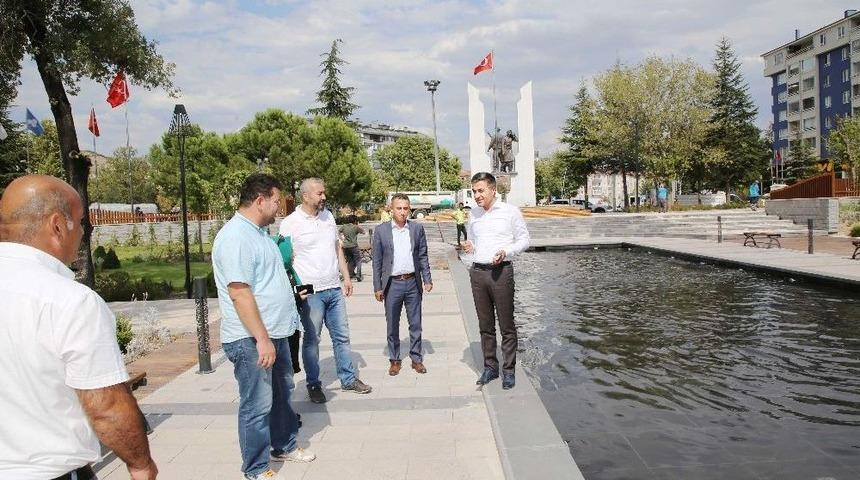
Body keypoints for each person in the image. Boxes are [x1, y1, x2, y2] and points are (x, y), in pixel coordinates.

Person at [0, 175, 157, 480]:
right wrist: (141, 465)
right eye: (81, 222)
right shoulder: (70, 301)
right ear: (58, 225)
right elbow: (106, 406)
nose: (84, 232)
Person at [212, 173, 314, 480]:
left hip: (277, 332)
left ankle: (283, 444)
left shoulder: (260, 233)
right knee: (257, 405)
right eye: (276, 201)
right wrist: (262, 339)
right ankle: (256, 468)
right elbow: (239, 292)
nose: (279, 208)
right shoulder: (235, 238)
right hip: (252, 338)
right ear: (260, 201)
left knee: (282, 394)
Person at [280, 178, 372, 404]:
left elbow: (336, 248)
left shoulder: (328, 216)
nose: (324, 197)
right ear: (306, 196)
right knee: (312, 339)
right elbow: (285, 261)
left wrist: (346, 277)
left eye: (324, 193)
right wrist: (295, 290)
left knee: (342, 336)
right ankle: (313, 384)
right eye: (319, 194)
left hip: (333, 286)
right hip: (309, 289)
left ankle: (348, 378)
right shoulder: (290, 223)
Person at [462, 172, 530, 390]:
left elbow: (524, 239)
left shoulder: (510, 212)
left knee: (507, 325)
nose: (477, 195)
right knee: (485, 325)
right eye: (474, 191)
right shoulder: (473, 214)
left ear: (493, 190)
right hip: (478, 273)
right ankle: (490, 367)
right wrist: (469, 246)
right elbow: (472, 240)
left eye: (480, 190)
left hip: (501, 272)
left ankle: (508, 371)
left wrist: (506, 250)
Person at [371, 193, 433, 376]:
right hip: (392, 285)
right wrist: (377, 286)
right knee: (392, 324)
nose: (403, 212)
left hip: (413, 282)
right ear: (391, 209)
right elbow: (377, 261)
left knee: (415, 323)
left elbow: (422, 255)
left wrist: (427, 279)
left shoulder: (416, 229)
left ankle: (416, 358)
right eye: (399, 208)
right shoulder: (381, 230)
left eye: (406, 208)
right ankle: (395, 359)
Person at [338, 215, 365, 282]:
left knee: (350, 261)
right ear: (355, 221)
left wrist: (341, 238)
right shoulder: (355, 227)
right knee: (358, 260)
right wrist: (358, 226)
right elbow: (363, 232)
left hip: (345, 246)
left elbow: (338, 231)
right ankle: (358, 275)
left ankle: (350, 274)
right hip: (354, 246)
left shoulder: (344, 226)